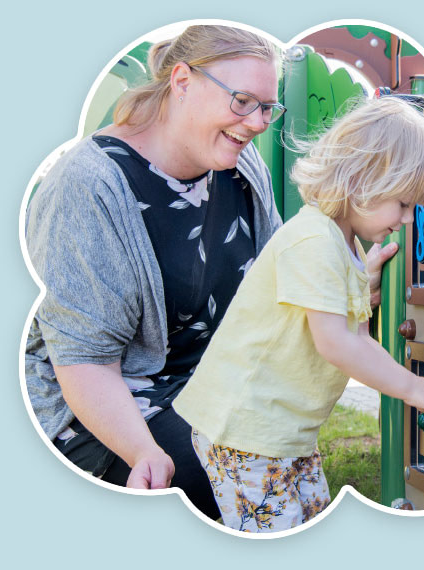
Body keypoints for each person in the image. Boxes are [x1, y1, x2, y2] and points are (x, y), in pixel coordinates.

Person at [24, 24, 398, 519]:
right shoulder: (88, 186)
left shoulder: (240, 165)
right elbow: (84, 362)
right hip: (106, 405)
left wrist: (348, 285)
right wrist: (143, 452)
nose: (258, 123)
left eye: (267, 107)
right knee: (220, 471)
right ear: (182, 81)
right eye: (243, 101)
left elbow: (278, 283)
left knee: (279, 454)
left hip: (209, 381)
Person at [172, 96, 424, 533]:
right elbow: (336, 343)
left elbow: (359, 336)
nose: (409, 220)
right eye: (403, 204)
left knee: (310, 522)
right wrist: (413, 388)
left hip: (286, 432)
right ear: (362, 179)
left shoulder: (346, 248)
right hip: (245, 430)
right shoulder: (313, 240)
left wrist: (365, 282)